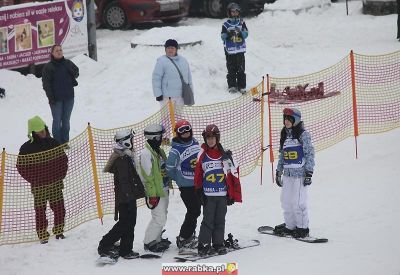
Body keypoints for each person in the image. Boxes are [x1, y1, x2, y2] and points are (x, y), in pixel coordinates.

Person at [16, 116, 68, 244]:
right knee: (40, 211)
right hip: (39, 187)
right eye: (39, 131)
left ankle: (59, 231)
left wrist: (60, 175)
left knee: (59, 208)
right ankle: (42, 234)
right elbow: (21, 167)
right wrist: (34, 179)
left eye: (43, 129)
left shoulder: (53, 143)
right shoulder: (26, 149)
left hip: (55, 183)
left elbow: (63, 160)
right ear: (33, 132)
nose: (43, 132)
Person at [97, 129, 146, 260]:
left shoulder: (126, 155)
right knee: (125, 223)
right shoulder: (122, 159)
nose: (132, 142)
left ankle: (126, 249)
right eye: (131, 140)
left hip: (128, 196)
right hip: (126, 197)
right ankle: (105, 244)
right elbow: (124, 181)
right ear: (125, 142)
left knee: (129, 223)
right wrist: (130, 197)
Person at [194, 124, 241, 256]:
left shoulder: (224, 154)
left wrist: (231, 194)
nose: (210, 140)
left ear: (217, 138)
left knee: (220, 220)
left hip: (222, 194)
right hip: (208, 194)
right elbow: (198, 174)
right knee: (207, 220)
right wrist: (198, 190)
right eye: (208, 138)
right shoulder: (202, 155)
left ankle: (218, 244)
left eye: (213, 138)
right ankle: (203, 245)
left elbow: (233, 174)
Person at [273, 108, 315, 238]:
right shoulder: (284, 135)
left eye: (289, 119)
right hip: (288, 174)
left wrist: (309, 172)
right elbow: (282, 156)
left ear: (295, 120)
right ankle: (290, 226)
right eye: (285, 119)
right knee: (285, 201)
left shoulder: (303, 135)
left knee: (298, 202)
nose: (286, 121)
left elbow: (309, 154)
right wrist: (279, 171)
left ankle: (303, 228)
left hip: (299, 175)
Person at [166, 120, 201, 254]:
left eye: (187, 130)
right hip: (186, 186)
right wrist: (179, 178)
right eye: (182, 131)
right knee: (194, 210)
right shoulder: (175, 150)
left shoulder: (195, 143)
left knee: (196, 210)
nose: (185, 133)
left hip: (197, 184)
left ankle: (189, 236)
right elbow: (169, 168)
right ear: (178, 133)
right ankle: (184, 237)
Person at [140, 124, 172, 253]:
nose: (162, 138)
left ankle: (157, 238)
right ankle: (149, 242)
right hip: (156, 192)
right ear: (155, 137)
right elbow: (147, 176)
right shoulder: (146, 153)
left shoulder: (158, 150)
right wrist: (152, 194)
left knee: (162, 215)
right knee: (159, 217)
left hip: (163, 189)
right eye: (160, 136)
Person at [42, 44, 79, 145]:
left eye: (60, 50)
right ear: (52, 53)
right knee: (57, 122)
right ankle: (57, 144)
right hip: (56, 100)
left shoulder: (67, 63)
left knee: (66, 121)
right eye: (57, 51)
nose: (59, 52)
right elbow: (46, 85)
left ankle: (65, 141)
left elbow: (77, 73)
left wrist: (71, 70)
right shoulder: (48, 67)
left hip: (69, 98)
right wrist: (51, 98)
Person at [152, 39, 193, 108]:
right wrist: (158, 94)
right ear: (165, 49)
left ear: (176, 49)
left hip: (180, 96)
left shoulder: (183, 60)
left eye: (172, 48)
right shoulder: (161, 61)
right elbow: (156, 78)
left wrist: (191, 92)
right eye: (168, 48)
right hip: (167, 97)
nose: (170, 50)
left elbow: (189, 78)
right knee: (167, 118)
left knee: (178, 117)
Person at [221, 2, 248, 94]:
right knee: (231, 68)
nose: (234, 14)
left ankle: (242, 85)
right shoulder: (225, 25)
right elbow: (222, 36)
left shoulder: (242, 23)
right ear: (229, 13)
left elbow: (246, 34)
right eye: (232, 12)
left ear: (238, 12)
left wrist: (241, 33)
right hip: (230, 51)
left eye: (236, 12)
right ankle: (232, 85)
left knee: (241, 68)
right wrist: (228, 34)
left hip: (240, 50)